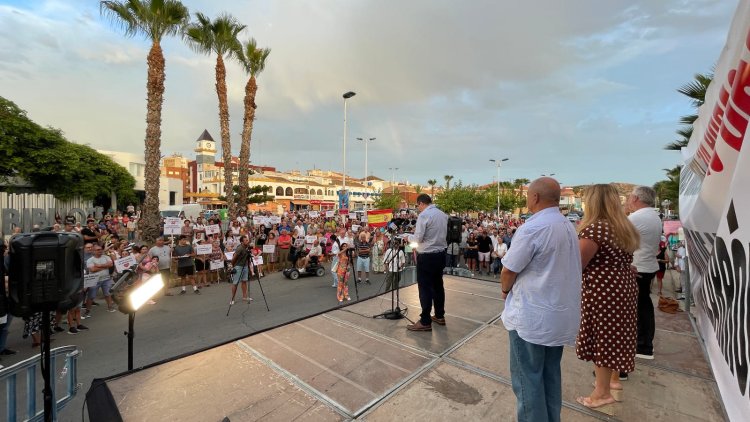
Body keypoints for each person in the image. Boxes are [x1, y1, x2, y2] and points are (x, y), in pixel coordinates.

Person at [500, 177, 581, 422]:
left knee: (528, 382)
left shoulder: (533, 227)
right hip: (557, 318)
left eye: (527, 195)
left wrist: (505, 291)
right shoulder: (567, 225)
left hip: (531, 318)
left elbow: (509, 270)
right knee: (549, 376)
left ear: (534, 197)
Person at [575, 184, 641, 409]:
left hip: (602, 291)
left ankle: (601, 393)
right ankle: (612, 382)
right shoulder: (623, 226)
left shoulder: (594, 229)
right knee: (616, 336)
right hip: (623, 287)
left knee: (602, 338)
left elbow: (577, 264)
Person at [625, 186, 662, 361]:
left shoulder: (636, 217)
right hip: (647, 266)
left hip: (637, 268)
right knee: (644, 306)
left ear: (635, 199)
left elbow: (617, 237)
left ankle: (642, 345)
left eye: (630, 197)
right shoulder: (653, 215)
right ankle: (644, 344)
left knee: (636, 309)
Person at [406, 194, 448, 332]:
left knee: (425, 288)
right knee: (438, 285)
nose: (418, 208)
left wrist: (407, 236)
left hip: (427, 256)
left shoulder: (424, 215)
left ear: (421, 203)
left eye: (418, 206)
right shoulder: (443, 214)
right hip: (441, 254)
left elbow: (418, 238)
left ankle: (425, 321)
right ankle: (440, 315)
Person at [85, 244, 117, 315]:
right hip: (94, 281)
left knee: (107, 294)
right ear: (93, 251)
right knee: (91, 296)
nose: (100, 251)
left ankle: (110, 307)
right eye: (98, 250)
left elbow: (111, 264)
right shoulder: (90, 260)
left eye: (101, 249)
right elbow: (93, 269)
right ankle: (87, 311)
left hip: (106, 279)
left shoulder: (106, 257)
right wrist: (105, 266)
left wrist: (99, 265)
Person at [229, 235, 252, 304]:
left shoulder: (247, 247)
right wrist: (232, 267)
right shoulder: (240, 248)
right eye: (246, 240)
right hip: (238, 266)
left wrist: (249, 265)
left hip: (245, 266)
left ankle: (244, 297)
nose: (247, 241)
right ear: (242, 242)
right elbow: (234, 258)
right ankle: (232, 299)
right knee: (235, 283)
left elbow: (248, 257)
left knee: (244, 281)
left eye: (247, 240)